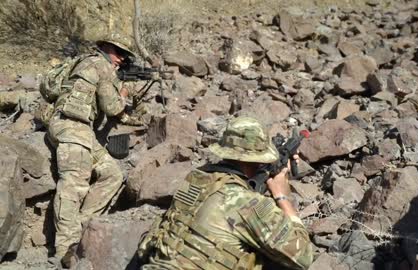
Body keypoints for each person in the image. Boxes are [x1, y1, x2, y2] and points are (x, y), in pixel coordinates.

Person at [137, 116, 313, 270]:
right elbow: (303, 256)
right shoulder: (248, 203)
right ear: (260, 160)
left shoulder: (197, 178)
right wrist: (282, 196)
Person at [47, 34, 142, 267]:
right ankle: (64, 249)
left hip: (82, 131)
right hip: (71, 126)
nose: (121, 59)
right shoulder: (100, 64)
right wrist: (123, 97)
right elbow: (111, 107)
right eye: (119, 53)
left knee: (112, 174)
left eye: (125, 56)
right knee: (74, 184)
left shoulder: (87, 62)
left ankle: (82, 227)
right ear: (106, 47)